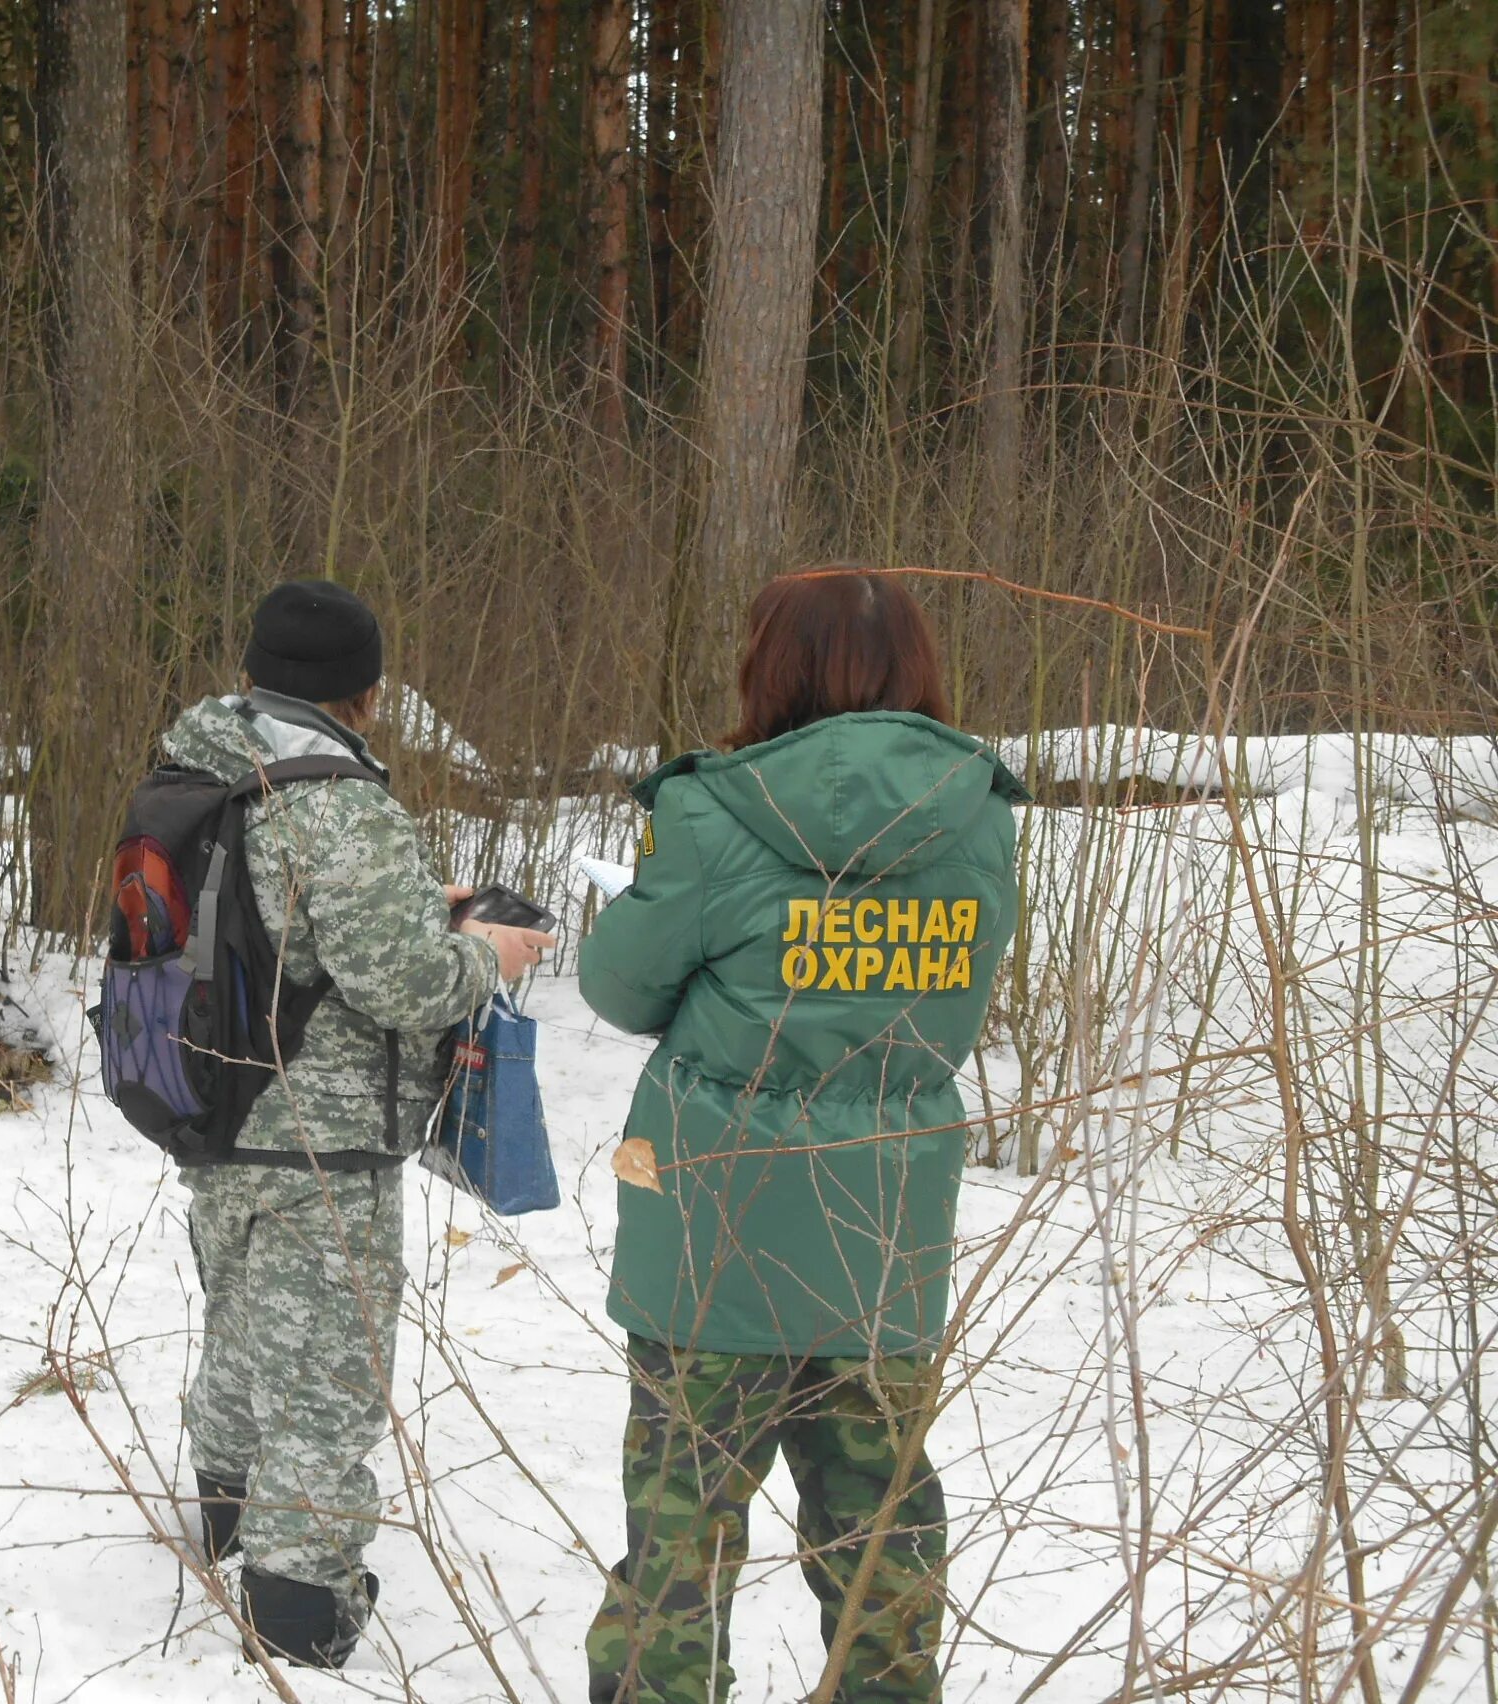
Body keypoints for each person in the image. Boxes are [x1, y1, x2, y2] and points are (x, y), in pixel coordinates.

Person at [578, 570, 1026, 1704]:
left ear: (768, 668)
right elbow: (951, 1012)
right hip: (880, 1218)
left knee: (684, 1530)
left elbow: (623, 987)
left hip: (716, 1221)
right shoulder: (974, 816)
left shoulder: (712, 810)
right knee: (881, 1533)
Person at [157, 579, 555, 1669]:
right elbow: (406, 986)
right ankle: (299, 1607)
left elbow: (275, 922)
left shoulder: (199, 769)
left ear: (255, 672)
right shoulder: (338, 800)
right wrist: (490, 953)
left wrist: (425, 909)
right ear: (367, 696)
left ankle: (228, 1517)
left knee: (244, 1330)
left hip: (215, 1109)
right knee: (329, 1378)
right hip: (318, 1137)